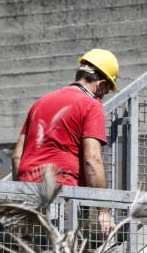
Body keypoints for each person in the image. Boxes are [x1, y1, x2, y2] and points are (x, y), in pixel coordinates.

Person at [11, 48, 119, 236]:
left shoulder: (40, 103)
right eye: (106, 91)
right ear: (101, 85)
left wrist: (19, 191)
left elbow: (16, 157)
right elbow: (92, 160)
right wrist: (104, 211)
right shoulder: (91, 105)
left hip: (27, 195)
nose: (103, 96)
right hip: (62, 196)